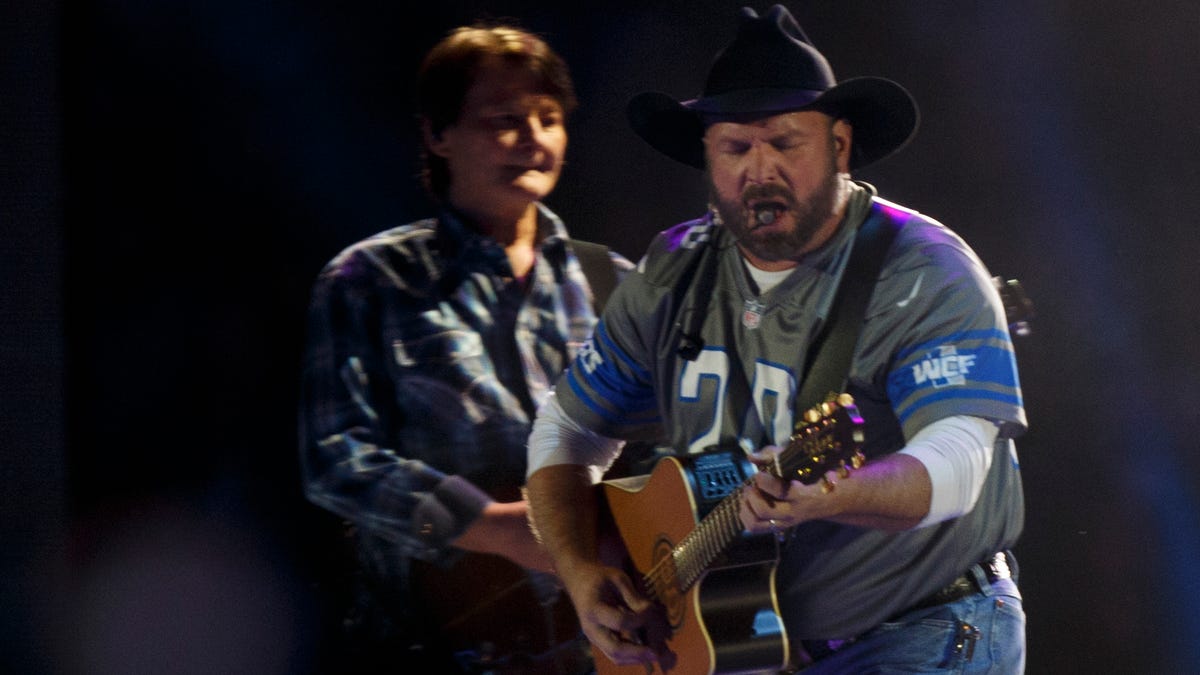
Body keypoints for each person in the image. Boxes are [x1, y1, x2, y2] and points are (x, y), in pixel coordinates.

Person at [525, 5, 1027, 674]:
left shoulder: (922, 268)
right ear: (707, 155)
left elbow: (960, 461)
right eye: (736, 148)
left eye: (785, 143)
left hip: (924, 630)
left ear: (840, 146)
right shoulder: (672, 270)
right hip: (752, 645)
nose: (760, 170)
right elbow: (564, 428)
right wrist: (581, 571)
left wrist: (841, 493)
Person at [298, 22, 630, 674]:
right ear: (436, 134)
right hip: (427, 649)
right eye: (504, 119)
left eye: (549, 117)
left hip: (602, 650)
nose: (534, 138)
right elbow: (336, 458)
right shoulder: (368, 280)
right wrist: (493, 525)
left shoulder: (617, 281)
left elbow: (675, 442)